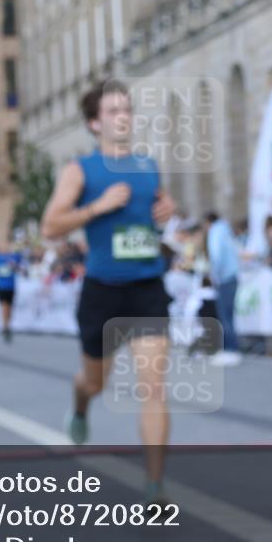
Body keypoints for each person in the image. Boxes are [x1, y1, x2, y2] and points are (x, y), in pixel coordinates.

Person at [41, 79, 176, 505]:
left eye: (127, 110)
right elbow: (50, 226)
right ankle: (81, 403)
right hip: (102, 291)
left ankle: (154, 488)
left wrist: (165, 212)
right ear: (95, 123)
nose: (124, 118)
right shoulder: (81, 170)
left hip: (147, 287)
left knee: (152, 387)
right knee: (96, 382)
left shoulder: (148, 166)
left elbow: (153, 218)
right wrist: (97, 207)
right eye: (114, 111)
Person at [204, 212, 241, 367]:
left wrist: (214, 274)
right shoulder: (226, 231)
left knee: (224, 315)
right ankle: (232, 349)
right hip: (233, 275)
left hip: (224, 277)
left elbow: (216, 255)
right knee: (229, 315)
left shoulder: (215, 232)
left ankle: (229, 349)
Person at [0, 239, 22, 343]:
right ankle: (5, 327)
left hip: (11, 286)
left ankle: (7, 325)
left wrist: (14, 266)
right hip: (1, 286)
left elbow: (20, 268)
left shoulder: (15, 257)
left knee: (9, 308)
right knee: (4, 306)